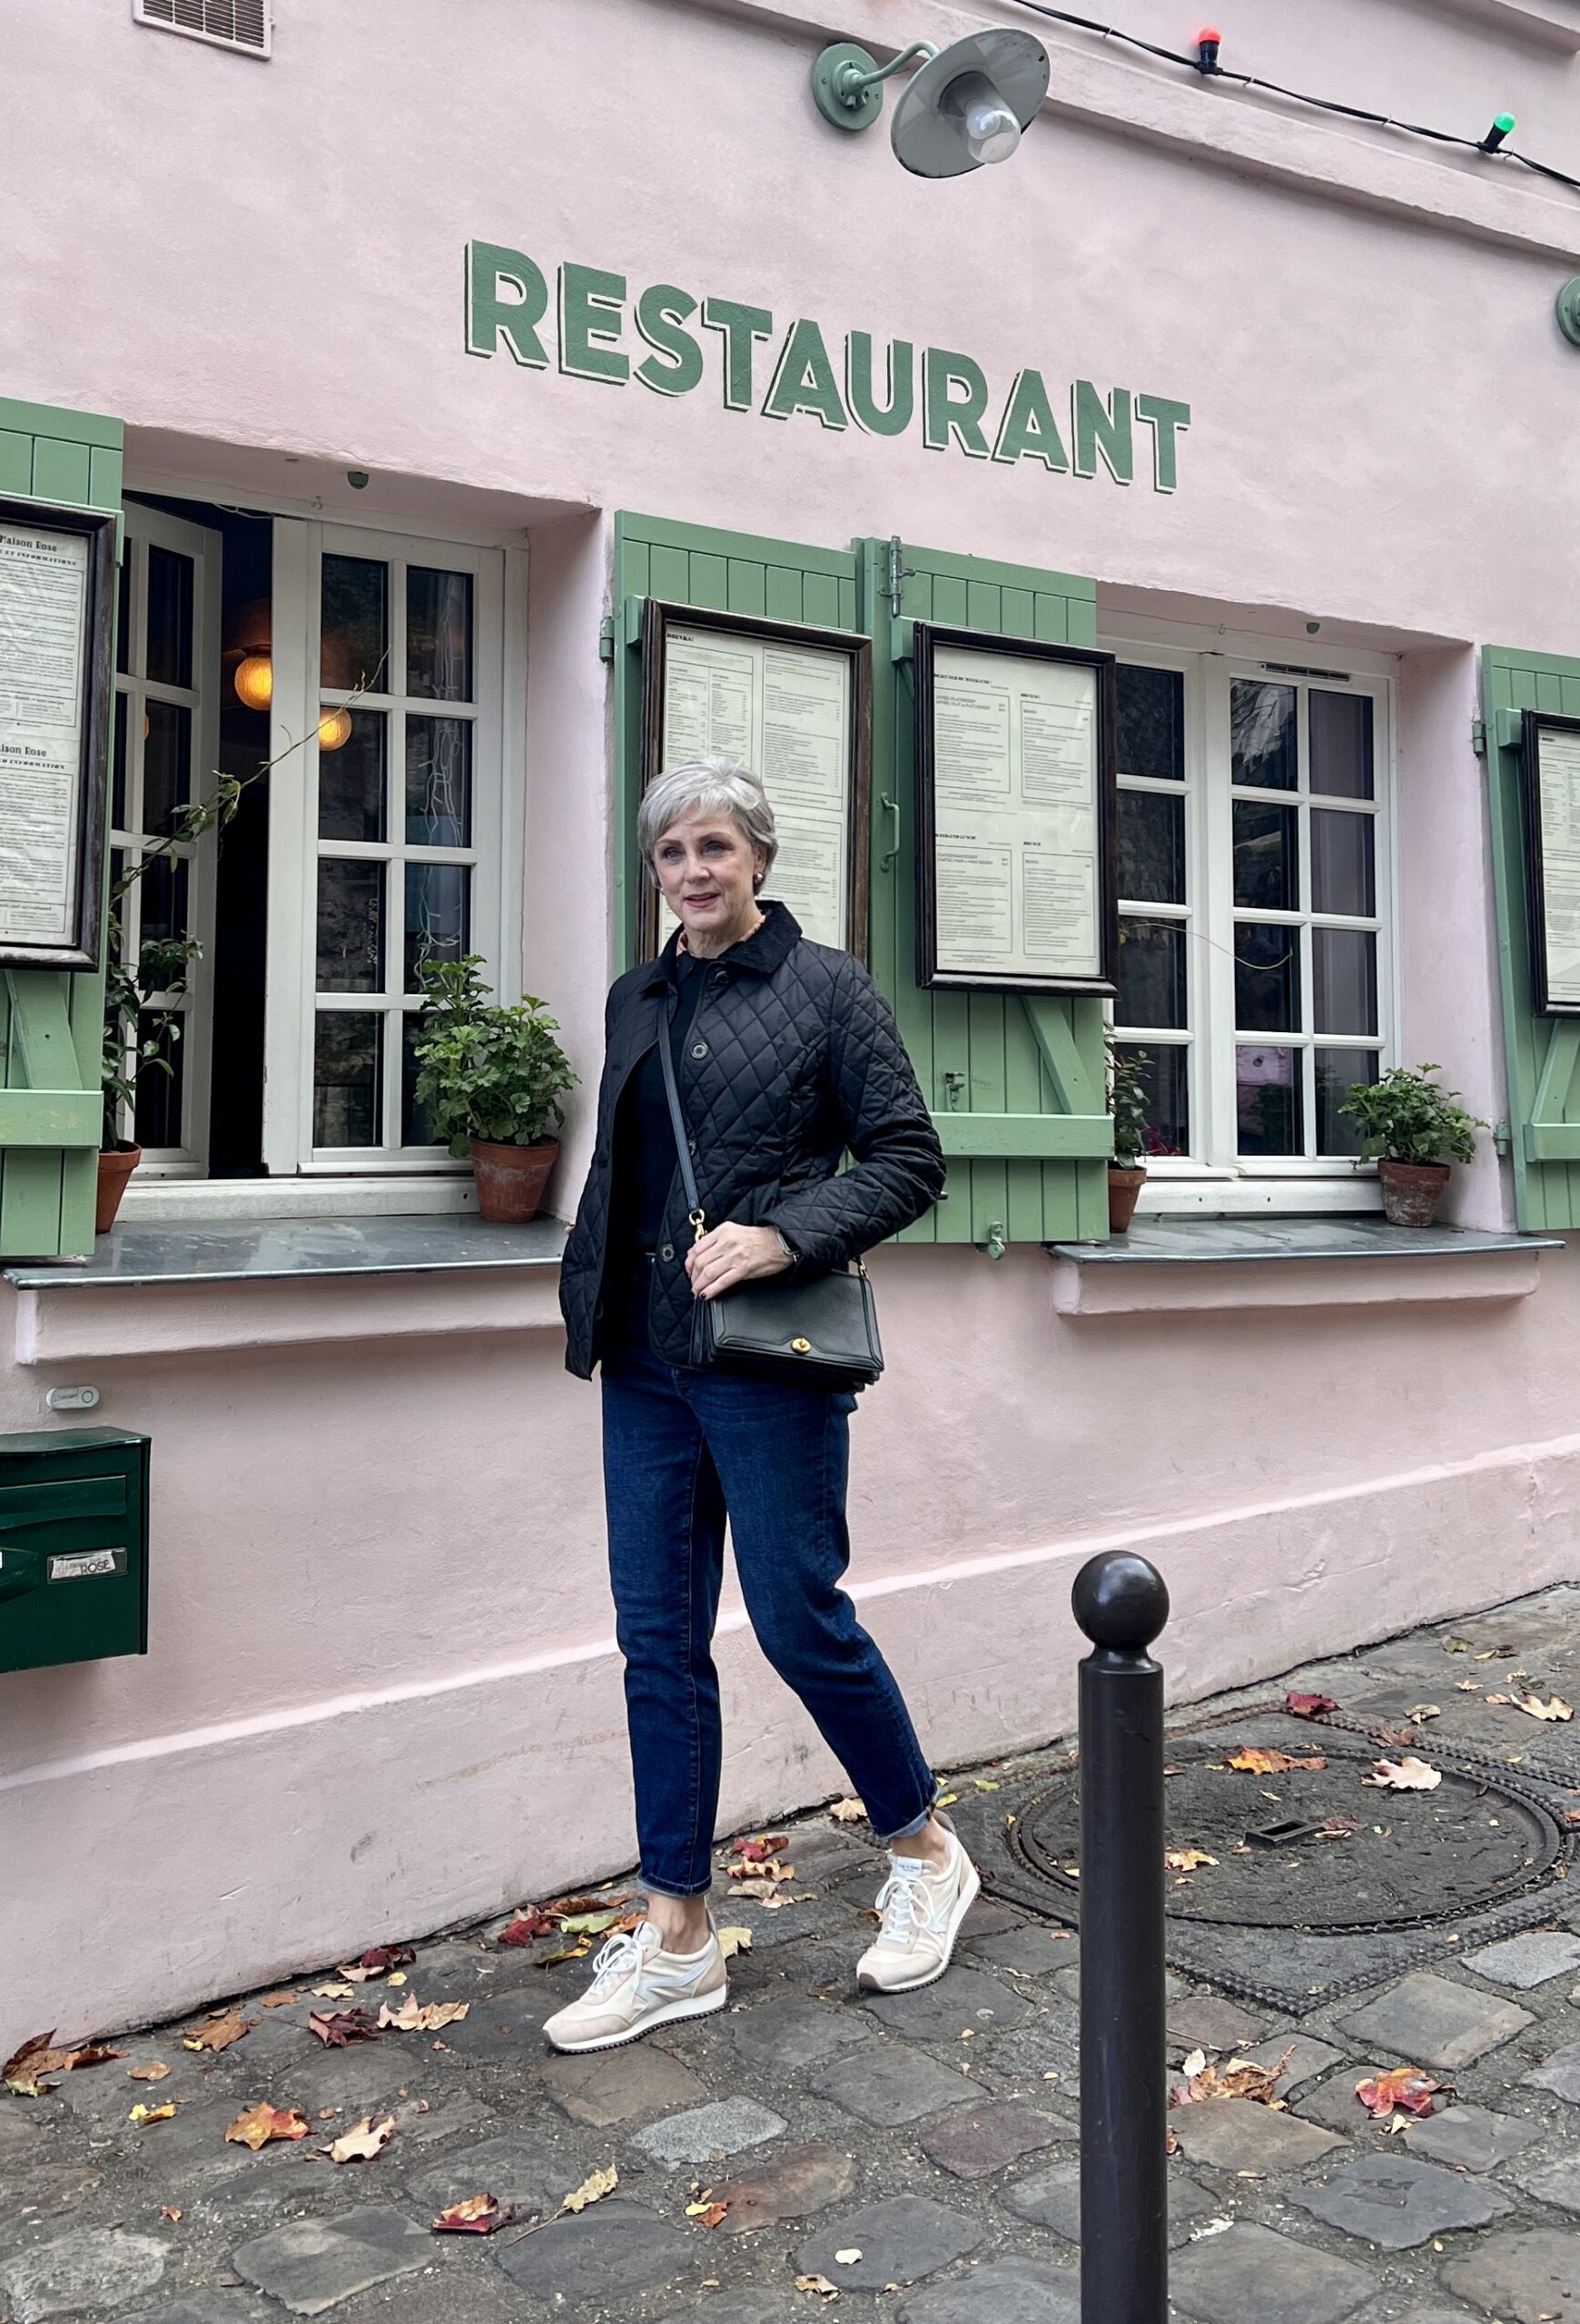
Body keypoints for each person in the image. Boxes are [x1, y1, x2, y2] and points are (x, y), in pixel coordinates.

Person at [547, 754, 971, 2054]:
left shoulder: (828, 989)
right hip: (646, 1358)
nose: (693, 871)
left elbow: (910, 1160)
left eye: (715, 847)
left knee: (796, 1618)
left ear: (759, 858)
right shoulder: (636, 995)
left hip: (766, 1357)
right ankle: (677, 1935)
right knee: (658, 1642)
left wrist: (783, 1236)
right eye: (672, 852)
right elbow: (624, 1170)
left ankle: (925, 1850)